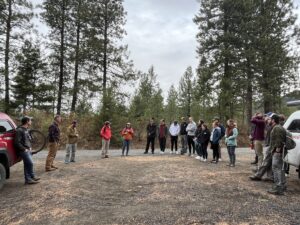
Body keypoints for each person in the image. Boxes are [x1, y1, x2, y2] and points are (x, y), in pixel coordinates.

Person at [14, 116, 40, 184]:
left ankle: (30, 177)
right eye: (30, 120)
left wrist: (30, 147)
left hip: (28, 150)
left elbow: (27, 140)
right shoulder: (19, 130)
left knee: (27, 164)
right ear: (27, 121)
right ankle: (29, 178)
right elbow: (17, 142)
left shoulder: (26, 130)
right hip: (23, 151)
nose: (31, 121)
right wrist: (24, 149)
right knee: (30, 163)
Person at [250, 114, 274, 181]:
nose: (268, 119)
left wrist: (257, 116)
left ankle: (260, 170)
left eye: (269, 118)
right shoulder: (265, 123)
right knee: (263, 156)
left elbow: (252, 120)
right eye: (268, 118)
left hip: (264, 142)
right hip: (264, 141)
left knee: (262, 156)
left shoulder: (262, 122)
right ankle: (263, 172)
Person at [267, 114, 287, 195]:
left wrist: (277, 150)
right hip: (278, 151)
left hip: (278, 152)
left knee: (276, 168)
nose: (269, 121)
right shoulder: (279, 127)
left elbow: (279, 140)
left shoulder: (277, 128)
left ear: (273, 120)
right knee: (280, 168)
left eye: (270, 119)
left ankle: (278, 187)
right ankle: (282, 185)